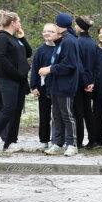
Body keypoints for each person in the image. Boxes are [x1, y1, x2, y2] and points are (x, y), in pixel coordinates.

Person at [0, 10, 32, 153]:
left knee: (16, 111)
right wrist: (16, 74)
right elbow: (2, 59)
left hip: (19, 81)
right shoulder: (1, 38)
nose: (20, 24)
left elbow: (27, 53)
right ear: (13, 23)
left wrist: (22, 38)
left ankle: (10, 142)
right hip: (8, 79)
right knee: (8, 109)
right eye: (19, 21)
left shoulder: (14, 38)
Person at [39, 13, 83, 156]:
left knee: (67, 115)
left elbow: (69, 65)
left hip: (66, 85)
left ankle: (72, 144)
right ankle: (57, 143)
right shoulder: (62, 41)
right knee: (56, 115)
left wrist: (50, 69)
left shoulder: (70, 41)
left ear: (60, 26)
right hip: (56, 85)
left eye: (55, 25)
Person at [30, 23, 58, 149]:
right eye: (45, 31)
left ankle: (57, 140)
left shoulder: (60, 48)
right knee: (44, 115)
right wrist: (34, 86)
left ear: (56, 33)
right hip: (43, 88)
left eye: (51, 31)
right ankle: (44, 140)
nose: (47, 33)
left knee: (58, 116)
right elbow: (35, 69)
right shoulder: (40, 50)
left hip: (58, 87)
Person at [74, 16, 99, 148]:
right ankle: (93, 140)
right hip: (90, 83)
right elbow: (96, 65)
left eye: (76, 25)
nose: (75, 27)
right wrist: (92, 82)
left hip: (81, 83)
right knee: (88, 111)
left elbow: (80, 66)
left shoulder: (78, 42)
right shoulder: (93, 42)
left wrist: (84, 83)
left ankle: (78, 142)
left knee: (79, 112)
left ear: (80, 26)